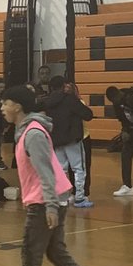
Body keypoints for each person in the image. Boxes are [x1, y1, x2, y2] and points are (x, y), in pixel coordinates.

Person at [0, 85, 112, 266]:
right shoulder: (26, 130)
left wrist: (49, 206)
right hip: (50, 198)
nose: (2, 108)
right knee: (55, 251)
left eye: (5, 103)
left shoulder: (34, 134)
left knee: (30, 253)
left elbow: (46, 172)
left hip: (46, 200)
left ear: (17, 106)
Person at [46, 75, 94, 208]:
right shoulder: (70, 100)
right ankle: (79, 197)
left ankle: (63, 198)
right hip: (72, 140)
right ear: (63, 86)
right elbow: (88, 115)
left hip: (56, 141)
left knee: (61, 169)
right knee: (79, 168)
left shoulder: (48, 102)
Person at [107, 85, 133, 197]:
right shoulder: (116, 103)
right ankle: (127, 186)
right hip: (130, 132)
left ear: (119, 93)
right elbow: (122, 119)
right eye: (113, 101)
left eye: (116, 98)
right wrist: (124, 131)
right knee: (125, 156)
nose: (116, 101)